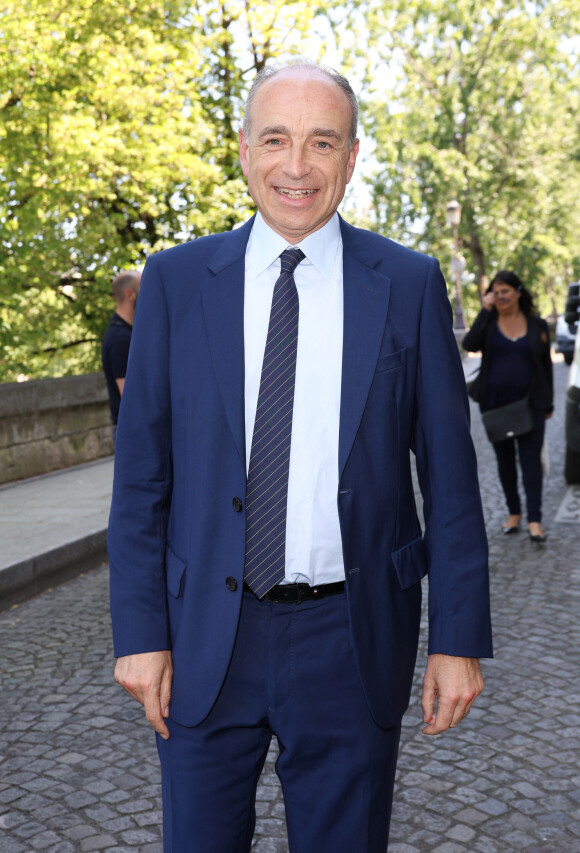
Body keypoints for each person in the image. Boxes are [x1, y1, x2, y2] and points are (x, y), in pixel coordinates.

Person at [108, 60, 493, 853]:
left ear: (352, 158)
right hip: (203, 635)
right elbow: (141, 474)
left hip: (351, 638)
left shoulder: (408, 284)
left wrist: (457, 639)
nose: (296, 166)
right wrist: (139, 632)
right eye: (277, 138)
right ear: (245, 148)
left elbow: (451, 482)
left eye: (323, 143)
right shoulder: (176, 284)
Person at [463, 270, 553, 543]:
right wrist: (484, 309)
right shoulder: (489, 322)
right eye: (496, 292)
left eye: (505, 291)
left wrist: (548, 403)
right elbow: (469, 344)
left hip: (531, 406)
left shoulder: (537, 325)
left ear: (518, 292)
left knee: (531, 463)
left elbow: (546, 366)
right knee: (505, 463)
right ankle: (514, 513)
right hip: (495, 406)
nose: (500, 296)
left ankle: (534, 519)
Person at [101, 270, 141, 440]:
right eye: (143, 289)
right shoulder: (120, 339)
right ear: (129, 295)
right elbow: (130, 395)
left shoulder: (126, 332)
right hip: (132, 430)